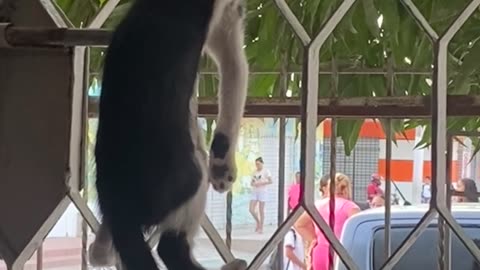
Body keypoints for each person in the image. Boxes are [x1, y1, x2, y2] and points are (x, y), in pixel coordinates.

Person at [295, 173, 360, 270]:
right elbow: (359, 229)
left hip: (320, 252)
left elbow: (299, 224)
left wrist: (314, 238)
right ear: (347, 188)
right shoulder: (351, 207)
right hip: (341, 253)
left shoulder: (317, 205)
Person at [249, 157, 272, 233]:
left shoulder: (266, 171)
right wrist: (253, 184)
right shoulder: (254, 172)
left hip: (263, 192)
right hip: (255, 191)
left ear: (262, 163)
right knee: (251, 209)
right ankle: (258, 221)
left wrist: (261, 183)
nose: (257, 165)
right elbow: (251, 182)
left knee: (261, 210)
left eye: (258, 164)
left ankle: (261, 227)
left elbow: (270, 181)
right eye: (256, 164)